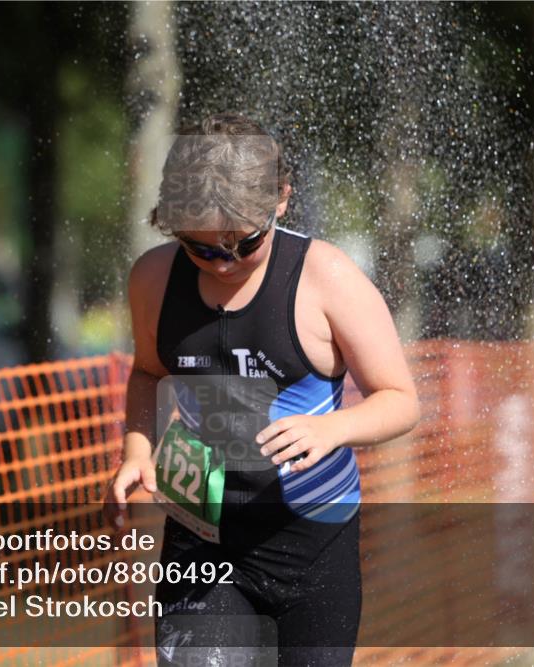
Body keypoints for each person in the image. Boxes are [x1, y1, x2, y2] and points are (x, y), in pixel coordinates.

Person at [105, 112, 420, 666]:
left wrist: (332, 428)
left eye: (243, 244)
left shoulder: (327, 277)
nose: (223, 264)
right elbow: (150, 372)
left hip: (312, 543)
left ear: (281, 199)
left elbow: (400, 399)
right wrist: (137, 446)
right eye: (200, 248)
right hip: (200, 540)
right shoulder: (154, 278)